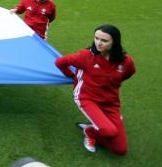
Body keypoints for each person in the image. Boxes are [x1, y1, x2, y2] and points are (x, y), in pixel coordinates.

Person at [55, 24, 136, 156]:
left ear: (115, 42)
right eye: (96, 38)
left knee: (120, 150)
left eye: (104, 40)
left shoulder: (126, 61)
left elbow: (127, 74)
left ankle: (94, 127)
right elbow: (60, 62)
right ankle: (89, 132)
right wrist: (71, 76)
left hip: (111, 103)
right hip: (87, 98)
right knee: (109, 131)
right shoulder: (85, 56)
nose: (99, 43)